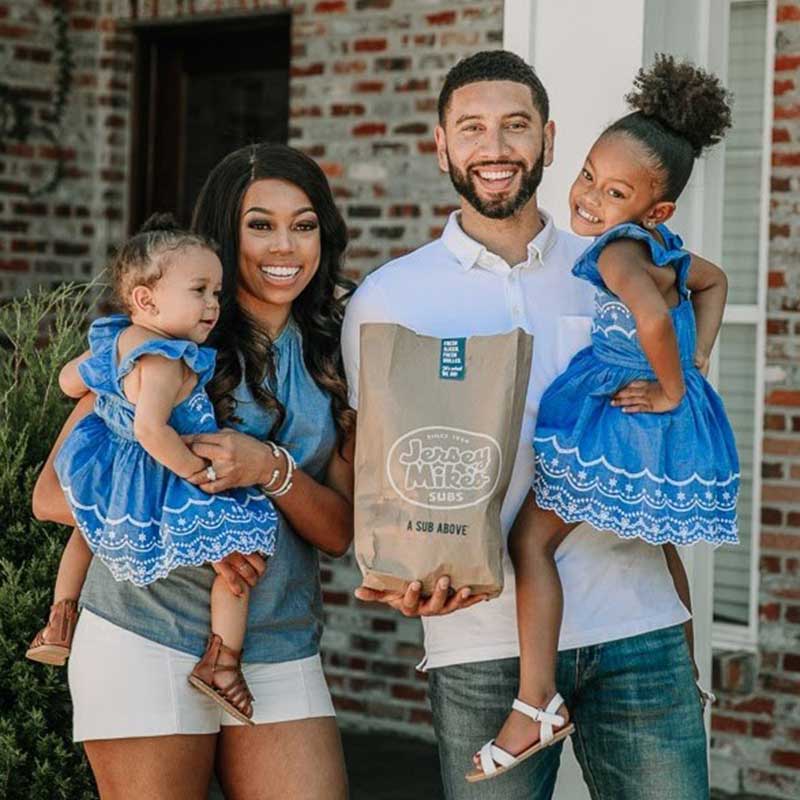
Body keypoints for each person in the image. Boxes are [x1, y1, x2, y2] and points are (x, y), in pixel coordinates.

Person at [343, 50, 711, 799]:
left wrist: (689, 371)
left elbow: (650, 440)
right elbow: (382, 476)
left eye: (515, 126)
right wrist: (404, 574)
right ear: (442, 144)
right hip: (478, 641)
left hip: (638, 627)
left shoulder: (612, 266)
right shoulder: (388, 300)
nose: (495, 146)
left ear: (547, 139)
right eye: (472, 127)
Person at [32, 143, 354, 799]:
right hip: (142, 634)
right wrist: (201, 528)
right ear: (224, 233)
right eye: (259, 224)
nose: (283, 245)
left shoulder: (339, 348)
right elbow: (53, 496)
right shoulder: (162, 342)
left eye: (304, 223)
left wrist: (270, 468)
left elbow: (338, 533)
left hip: (278, 640)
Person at [468, 54, 738, 783]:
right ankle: (685, 667)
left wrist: (674, 382)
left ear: (655, 211)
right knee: (658, 544)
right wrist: (699, 353)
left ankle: (535, 703)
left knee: (530, 543)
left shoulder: (619, 252)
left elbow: (651, 316)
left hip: (622, 418)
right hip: (655, 421)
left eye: (612, 190)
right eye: (587, 174)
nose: (587, 196)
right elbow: (712, 284)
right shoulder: (669, 250)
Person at [27, 214, 279, 724]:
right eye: (200, 290)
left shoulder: (115, 339)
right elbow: (151, 430)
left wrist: (104, 384)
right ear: (147, 300)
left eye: (216, 292)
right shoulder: (164, 359)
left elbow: (68, 381)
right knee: (240, 553)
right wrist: (195, 474)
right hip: (158, 465)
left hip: (105, 461)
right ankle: (223, 661)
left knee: (92, 528)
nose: (213, 304)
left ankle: (59, 619)